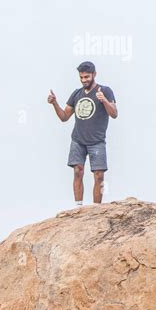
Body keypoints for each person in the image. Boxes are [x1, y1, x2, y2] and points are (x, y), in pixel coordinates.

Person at [48, 61, 117, 206]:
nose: (84, 80)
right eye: (82, 77)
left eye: (87, 77)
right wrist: (54, 103)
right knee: (77, 171)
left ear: (94, 75)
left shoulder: (105, 90)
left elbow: (114, 113)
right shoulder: (77, 94)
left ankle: (96, 209)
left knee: (99, 175)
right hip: (78, 140)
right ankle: (78, 207)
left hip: (97, 141)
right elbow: (64, 117)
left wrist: (104, 100)